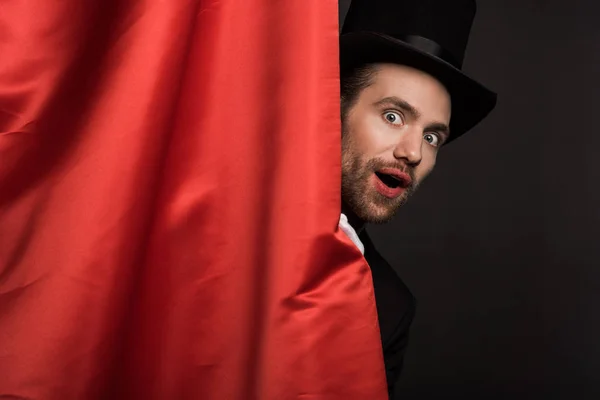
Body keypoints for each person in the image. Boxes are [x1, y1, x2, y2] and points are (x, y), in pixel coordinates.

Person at [337, 0, 497, 397]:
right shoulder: (215, 215)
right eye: (393, 116)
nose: (414, 153)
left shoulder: (387, 310)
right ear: (331, 109)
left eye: (431, 137)